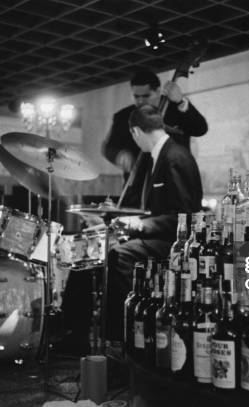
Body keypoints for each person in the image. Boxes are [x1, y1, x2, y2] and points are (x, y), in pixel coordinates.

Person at [61, 104, 203, 354]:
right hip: (160, 236)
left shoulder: (175, 157)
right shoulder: (160, 157)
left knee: (120, 254)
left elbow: (186, 217)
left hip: (175, 243)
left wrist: (142, 225)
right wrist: (127, 218)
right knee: (91, 251)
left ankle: (122, 339)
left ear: (136, 132)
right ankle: (73, 333)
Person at [101, 70, 207, 207]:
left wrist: (181, 101)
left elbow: (200, 129)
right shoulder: (124, 117)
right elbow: (108, 148)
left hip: (170, 189)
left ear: (158, 91)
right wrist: (119, 155)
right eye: (136, 96)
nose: (140, 101)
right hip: (137, 190)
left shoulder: (175, 110)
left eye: (145, 96)